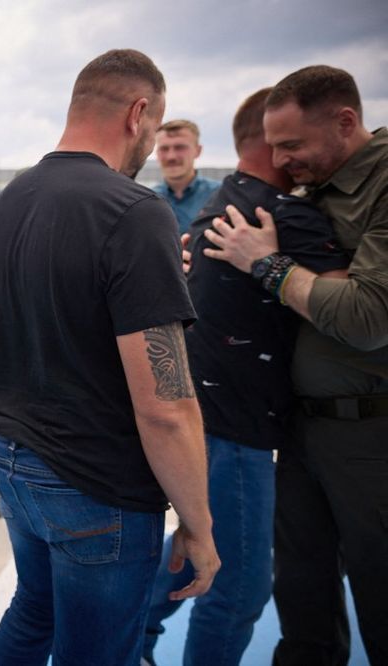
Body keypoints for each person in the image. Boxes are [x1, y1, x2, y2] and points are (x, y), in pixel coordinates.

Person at [0, 48, 219, 665]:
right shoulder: (134, 211)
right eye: (155, 130)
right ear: (138, 113)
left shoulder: (5, 205)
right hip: (95, 484)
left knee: (34, 612)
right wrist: (199, 524)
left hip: (12, 457)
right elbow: (166, 407)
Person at [141, 88, 350, 666]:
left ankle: (132, 636)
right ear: (272, 141)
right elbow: (359, 314)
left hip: (212, 412)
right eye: (292, 142)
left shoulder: (218, 205)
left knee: (202, 545)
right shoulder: (282, 217)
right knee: (239, 588)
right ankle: (131, 636)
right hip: (237, 427)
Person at [202, 65, 387, 666]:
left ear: (345, 121)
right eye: (273, 147)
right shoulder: (313, 183)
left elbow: (368, 317)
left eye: (291, 145)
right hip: (303, 429)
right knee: (303, 598)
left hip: (370, 431)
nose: (280, 160)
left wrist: (268, 266)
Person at [152, 119, 221, 233]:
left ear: (198, 151)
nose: (171, 156)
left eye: (180, 147)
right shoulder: (148, 199)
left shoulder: (220, 195)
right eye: (164, 149)